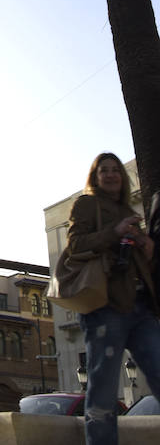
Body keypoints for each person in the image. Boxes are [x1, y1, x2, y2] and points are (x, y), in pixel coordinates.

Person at [67, 152, 160, 445]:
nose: (110, 175)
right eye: (103, 170)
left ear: (123, 176)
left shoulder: (127, 210)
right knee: (104, 387)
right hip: (104, 306)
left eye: (115, 170)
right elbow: (75, 244)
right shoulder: (86, 204)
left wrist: (145, 246)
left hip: (140, 306)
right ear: (95, 177)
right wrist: (115, 232)